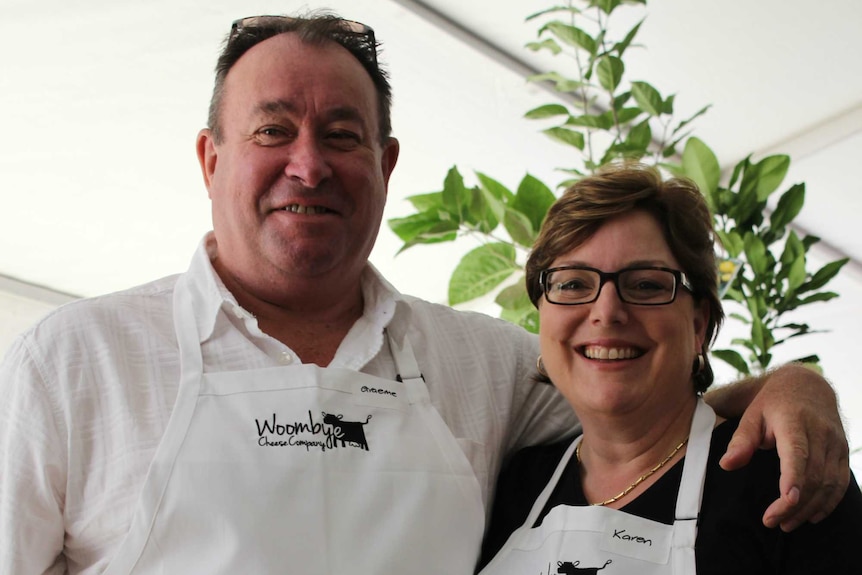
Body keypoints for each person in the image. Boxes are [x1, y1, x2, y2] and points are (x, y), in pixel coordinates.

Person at [0, 13, 849, 575]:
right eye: (272, 130)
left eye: (343, 135)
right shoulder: (75, 359)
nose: (309, 163)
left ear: (385, 164)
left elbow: (635, 402)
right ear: (210, 157)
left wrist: (788, 386)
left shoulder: (480, 365)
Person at [477, 163, 862, 574]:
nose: (606, 312)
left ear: (698, 325)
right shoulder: (515, 482)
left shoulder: (778, 478)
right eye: (572, 284)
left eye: (646, 284)